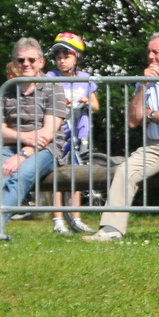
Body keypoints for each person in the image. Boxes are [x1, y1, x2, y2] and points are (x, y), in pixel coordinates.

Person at [86, 33, 159, 242]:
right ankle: (111, 229)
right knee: (124, 171)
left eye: (155, 52)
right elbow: (133, 121)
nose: (150, 56)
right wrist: (143, 86)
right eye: (149, 52)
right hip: (154, 144)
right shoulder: (144, 81)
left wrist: (150, 114)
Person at [0, 40, 66, 245]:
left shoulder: (53, 88)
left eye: (31, 60)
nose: (26, 64)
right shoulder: (7, 90)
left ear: (41, 62)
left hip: (46, 150)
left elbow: (48, 133)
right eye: (21, 60)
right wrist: (23, 138)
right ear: (14, 62)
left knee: (20, 174)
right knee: (3, 174)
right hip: (11, 146)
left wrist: (23, 154)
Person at [44, 32, 99, 234]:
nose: (62, 61)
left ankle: (76, 218)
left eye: (66, 57)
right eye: (58, 58)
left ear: (77, 58)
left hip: (79, 131)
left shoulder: (85, 78)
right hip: (59, 133)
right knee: (58, 176)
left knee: (76, 177)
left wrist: (86, 101)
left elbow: (96, 106)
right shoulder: (51, 77)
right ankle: (58, 219)